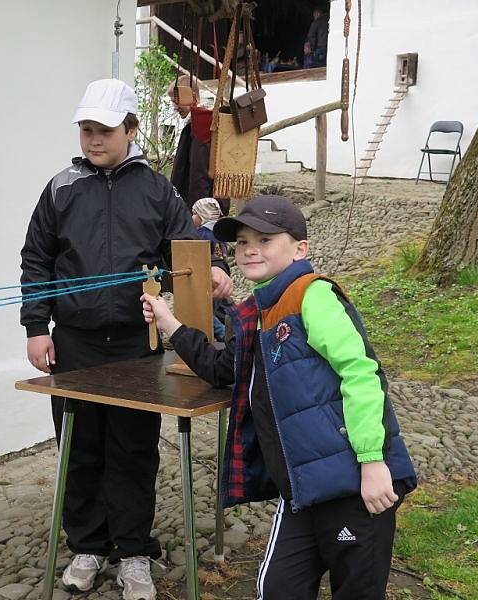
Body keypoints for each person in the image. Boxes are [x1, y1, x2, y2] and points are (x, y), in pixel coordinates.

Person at [141, 195, 417, 599]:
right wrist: (170, 322)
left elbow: (360, 374)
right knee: (278, 588)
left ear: (300, 248)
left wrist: (373, 462)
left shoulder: (311, 295)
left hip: (355, 484)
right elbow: (224, 371)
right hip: (303, 487)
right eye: (242, 242)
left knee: (357, 590)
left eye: (265, 239)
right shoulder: (256, 311)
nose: (250, 249)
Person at [20, 78, 233, 600]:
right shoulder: (61, 188)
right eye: (86, 130)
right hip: (74, 341)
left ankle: (134, 552)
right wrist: (35, 328)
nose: (93, 140)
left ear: (131, 130)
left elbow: (186, 245)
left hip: (138, 345)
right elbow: (36, 260)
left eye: (105, 130)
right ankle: (88, 545)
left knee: (133, 447)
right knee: (80, 447)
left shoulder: (157, 189)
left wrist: (215, 268)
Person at [168, 75, 216, 212]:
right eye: (173, 102)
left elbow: (199, 173)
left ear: (192, 96)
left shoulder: (202, 125)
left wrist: (198, 211)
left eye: (177, 101)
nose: (175, 107)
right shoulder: (194, 124)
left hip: (200, 208)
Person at [191, 197, 232, 342]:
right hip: (222, 276)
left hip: (208, 278)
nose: (192, 217)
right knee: (224, 308)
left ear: (203, 214)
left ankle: (224, 336)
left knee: (206, 311)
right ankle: (235, 328)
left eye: (195, 214)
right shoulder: (220, 232)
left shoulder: (201, 234)